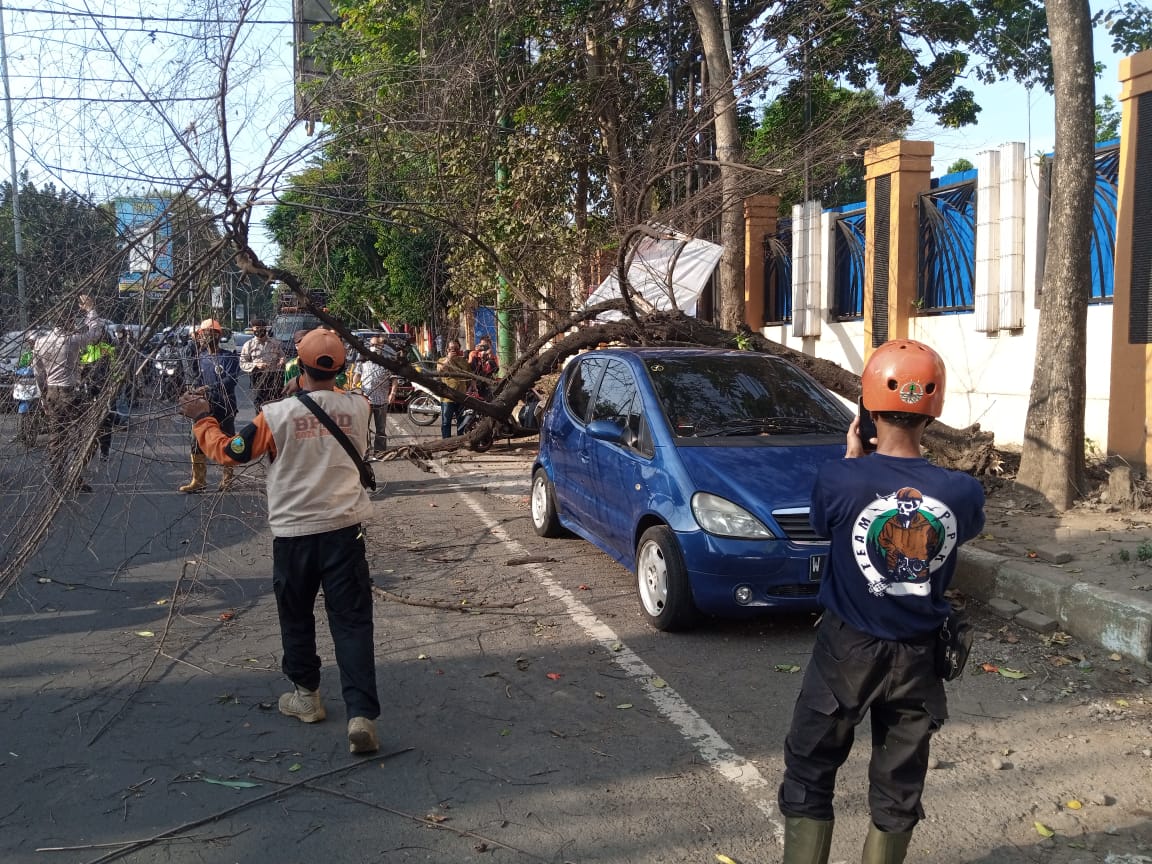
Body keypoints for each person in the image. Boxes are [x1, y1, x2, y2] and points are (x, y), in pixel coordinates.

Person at [776, 339, 985, 864]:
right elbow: (961, 532)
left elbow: (826, 525)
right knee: (898, 788)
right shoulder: (961, 491)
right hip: (919, 658)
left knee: (810, 768)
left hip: (847, 650)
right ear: (932, 410)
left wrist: (853, 462)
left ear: (867, 408)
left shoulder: (840, 477)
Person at [176, 328, 380, 755]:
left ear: (297, 366)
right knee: (352, 620)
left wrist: (201, 419)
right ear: (342, 368)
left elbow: (231, 452)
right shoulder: (359, 408)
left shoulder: (276, 415)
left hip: (295, 535)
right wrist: (306, 390)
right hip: (345, 530)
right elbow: (333, 402)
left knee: (297, 616)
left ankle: (307, 697)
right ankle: (360, 714)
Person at [32, 294, 105, 493]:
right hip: (69, 393)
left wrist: (43, 399)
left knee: (58, 437)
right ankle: (75, 476)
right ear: (69, 321)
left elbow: (38, 374)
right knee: (88, 436)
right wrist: (91, 310)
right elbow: (96, 334)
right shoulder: (70, 340)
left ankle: (59, 477)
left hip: (52, 394)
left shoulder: (40, 342)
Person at [178, 319, 240, 493]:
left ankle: (227, 479)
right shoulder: (201, 357)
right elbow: (197, 378)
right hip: (204, 407)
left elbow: (231, 380)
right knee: (195, 441)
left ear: (217, 335)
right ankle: (199, 480)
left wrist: (209, 388)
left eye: (208, 333)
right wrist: (192, 390)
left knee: (227, 441)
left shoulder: (229, 357)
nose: (204, 337)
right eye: (202, 334)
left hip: (225, 407)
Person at [356, 335, 398, 459]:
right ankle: (365, 452)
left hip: (381, 400)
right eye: (372, 345)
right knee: (364, 428)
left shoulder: (386, 361)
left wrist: (393, 393)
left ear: (382, 346)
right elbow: (357, 375)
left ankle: (379, 452)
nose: (375, 347)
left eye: (377, 345)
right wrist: (354, 386)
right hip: (365, 399)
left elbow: (394, 379)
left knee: (381, 428)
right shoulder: (363, 359)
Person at [80, 334, 117, 461]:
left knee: (106, 421)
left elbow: (116, 369)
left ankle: (104, 451)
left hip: (105, 390)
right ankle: (83, 450)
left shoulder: (107, 349)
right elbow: (78, 368)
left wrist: (114, 386)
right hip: (87, 391)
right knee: (82, 420)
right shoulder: (84, 350)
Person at [239, 318, 285, 409]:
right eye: (257, 328)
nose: (260, 330)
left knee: (276, 402)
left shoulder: (275, 343)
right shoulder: (249, 345)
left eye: (262, 328)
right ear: (253, 329)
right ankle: (260, 421)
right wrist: (256, 365)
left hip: (274, 376)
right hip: (258, 377)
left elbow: (282, 356)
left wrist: (282, 360)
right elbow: (243, 363)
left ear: (266, 329)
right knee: (260, 404)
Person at [437, 339, 471, 438]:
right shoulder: (441, 361)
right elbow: (440, 371)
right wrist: (449, 359)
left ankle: (460, 440)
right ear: (447, 349)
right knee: (446, 421)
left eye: (456, 348)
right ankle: (446, 442)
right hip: (447, 396)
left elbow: (471, 375)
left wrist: (472, 386)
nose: (454, 351)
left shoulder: (464, 361)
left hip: (461, 395)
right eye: (451, 348)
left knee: (461, 420)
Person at [467, 335, 499, 400]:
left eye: (486, 346)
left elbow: (494, 370)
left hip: (486, 382)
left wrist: (489, 357)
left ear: (490, 346)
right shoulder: (474, 353)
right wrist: (479, 354)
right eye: (483, 345)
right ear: (479, 345)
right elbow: (471, 368)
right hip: (475, 381)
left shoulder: (493, 357)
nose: (484, 348)